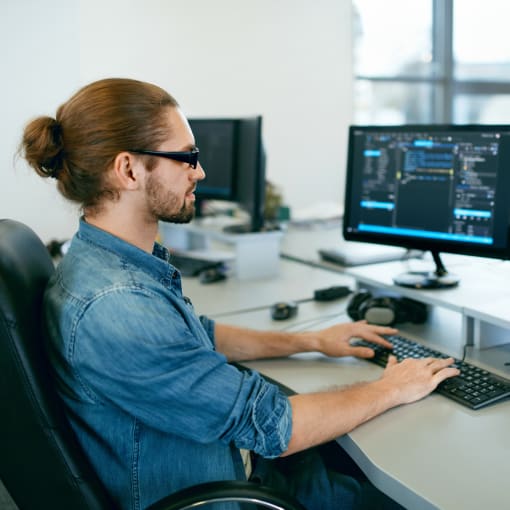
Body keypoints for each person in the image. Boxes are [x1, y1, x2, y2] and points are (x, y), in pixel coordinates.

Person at [20, 78, 459, 510]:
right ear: (129, 170)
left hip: (229, 467)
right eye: (186, 157)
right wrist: (393, 387)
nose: (200, 172)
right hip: (221, 494)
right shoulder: (118, 304)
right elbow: (274, 426)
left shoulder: (103, 260)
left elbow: (196, 337)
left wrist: (309, 341)